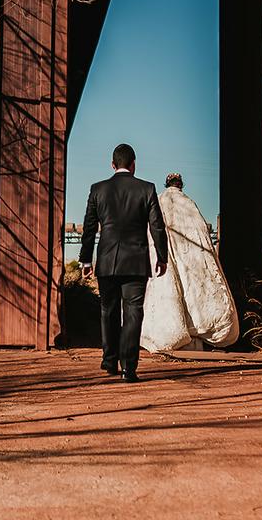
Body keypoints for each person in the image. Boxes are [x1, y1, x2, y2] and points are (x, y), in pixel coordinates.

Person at [79, 143, 168, 382]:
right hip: (136, 262)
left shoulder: (98, 190)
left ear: (112, 164)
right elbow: (157, 226)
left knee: (107, 310)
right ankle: (129, 367)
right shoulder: (146, 189)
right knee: (133, 313)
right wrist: (162, 256)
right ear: (134, 164)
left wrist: (86, 260)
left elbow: (89, 228)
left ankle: (109, 361)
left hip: (107, 261)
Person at [140, 173, 239, 352]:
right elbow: (201, 233)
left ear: (167, 184)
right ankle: (195, 332)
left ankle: (174, 333)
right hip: (191, 256)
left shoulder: (160, 200)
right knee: (192, 292)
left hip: (165, 254)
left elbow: (152, 228)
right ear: (180, 185)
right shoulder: (189, 203)